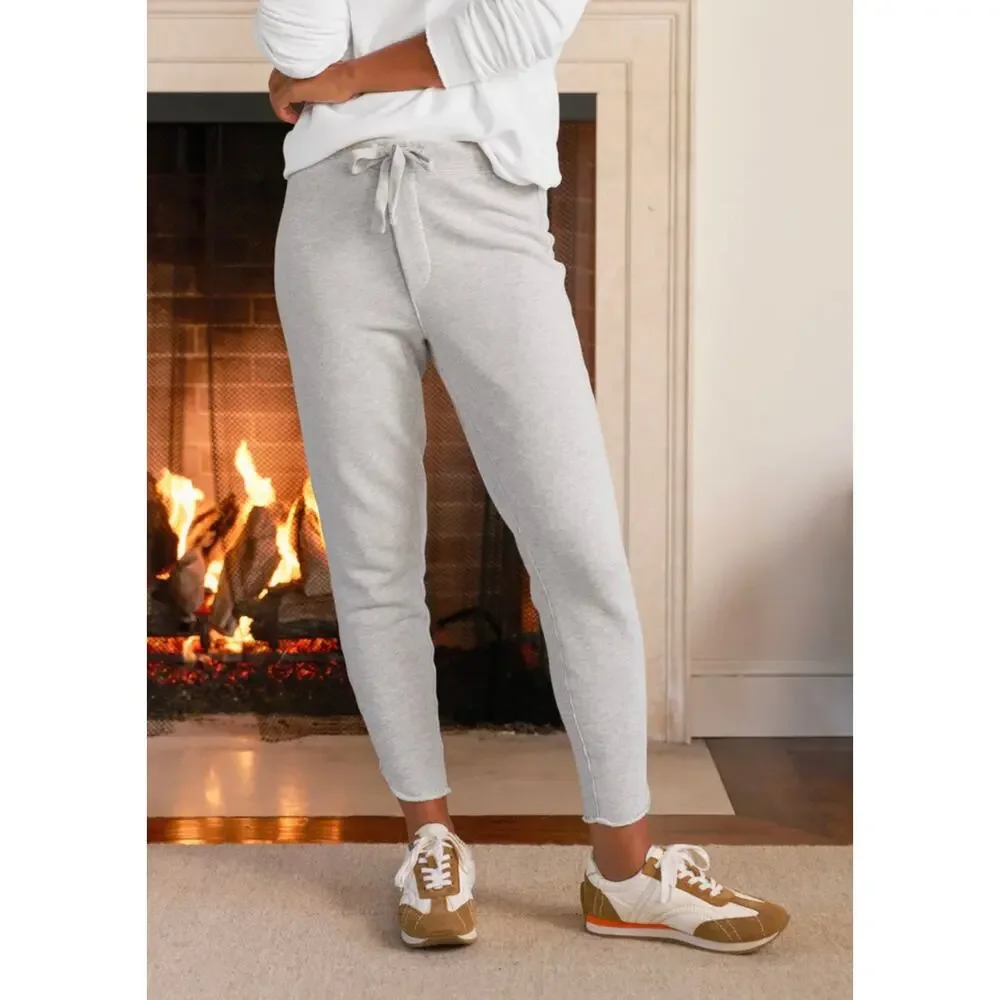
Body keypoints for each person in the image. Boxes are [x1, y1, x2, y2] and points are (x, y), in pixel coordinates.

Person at [255, 0, 789, 952]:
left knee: (579, 549)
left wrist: (349, 79)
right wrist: (322, 74)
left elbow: (522, 23)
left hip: (487, 202)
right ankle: (429, 842)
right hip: (333, 221)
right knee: (373, 559)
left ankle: (623, 874)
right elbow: (297, 50)